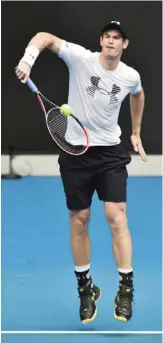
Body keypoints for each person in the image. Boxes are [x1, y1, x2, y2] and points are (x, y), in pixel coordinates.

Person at [15, 21, 148, 324]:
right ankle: (85, 289)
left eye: (117, 39)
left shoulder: (130, 76)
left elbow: (138, 95)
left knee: (117, 217)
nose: (111, 42)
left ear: (124, 45)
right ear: (101, 40)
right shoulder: (80, 58)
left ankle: (126, 290)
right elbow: (44, 36)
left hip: (111, 153)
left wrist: (136, 131)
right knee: (79, 220)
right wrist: (28, 57)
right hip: (76, 152)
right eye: (107, 37)